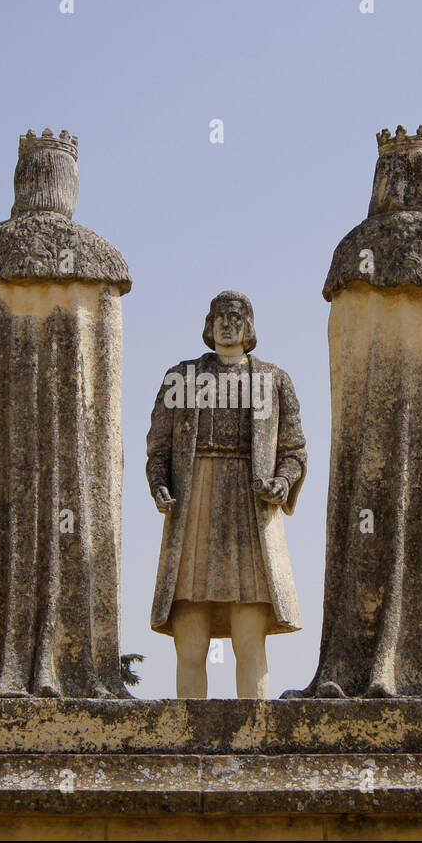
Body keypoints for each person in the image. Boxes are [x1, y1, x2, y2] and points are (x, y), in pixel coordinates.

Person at [146, 291, 306, 698]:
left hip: (251, 509)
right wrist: (159, 482)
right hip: (194, 504)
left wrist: (283, 483)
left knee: (249, 640)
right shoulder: (180, 378)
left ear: (249, 326)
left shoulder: (274, 380)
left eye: (236, 316)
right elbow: (158, 448)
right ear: (208, 323)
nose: (227, 323)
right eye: (219, 316)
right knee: (191, 641)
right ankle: (188, 736)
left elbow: (294, 451)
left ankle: (254, 736)